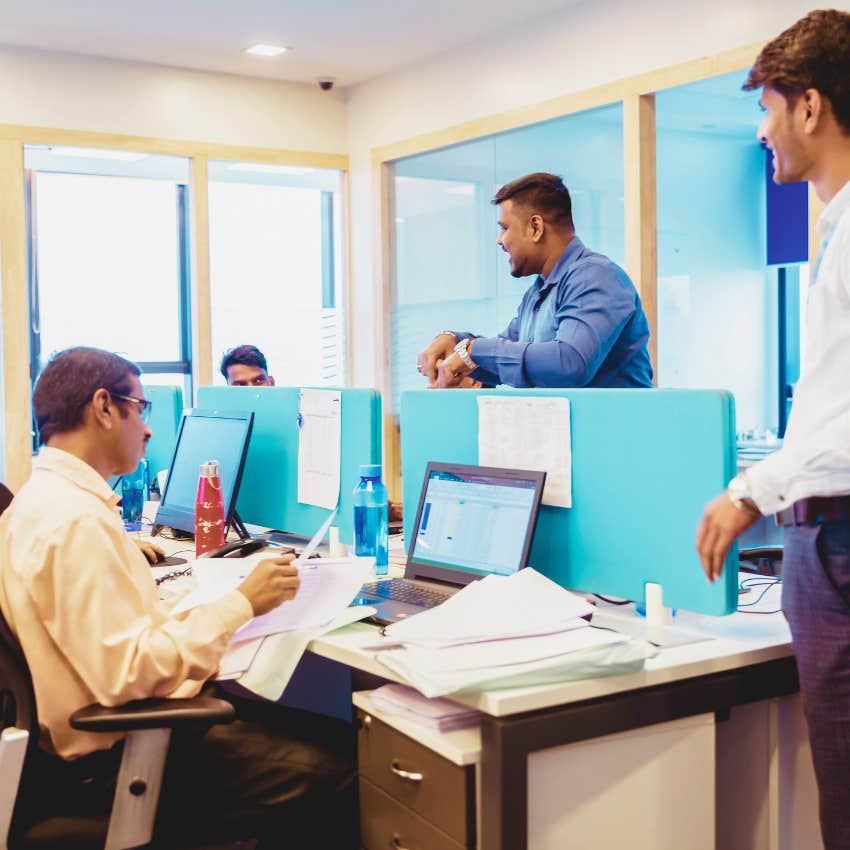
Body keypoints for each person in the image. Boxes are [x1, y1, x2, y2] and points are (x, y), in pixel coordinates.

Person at [0, 347, 356, 848]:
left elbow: (111, 633)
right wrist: (242, 605)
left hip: (98, 744)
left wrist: (214, 603)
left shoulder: (38, 504)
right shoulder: (76, 522)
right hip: (123, 755)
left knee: (318, 731)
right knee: (347, 765)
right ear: (104, 407)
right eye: (139, 409)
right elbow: (128, 673)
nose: (147, 429)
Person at [695, 11, 850, 849]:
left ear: (812, 107)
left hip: (839, 541)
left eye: (768, 107)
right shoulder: (835, 229)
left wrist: (748, 490)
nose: (761, 131)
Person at [417, 172, 653, 389]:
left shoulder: (596, 276)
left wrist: (472, 351)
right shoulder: (538, 293)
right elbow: (507, 355)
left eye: (505, 228)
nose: (500, 240)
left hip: (615, 433)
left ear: (535, 227)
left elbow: (570, 363)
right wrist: (454, 342)